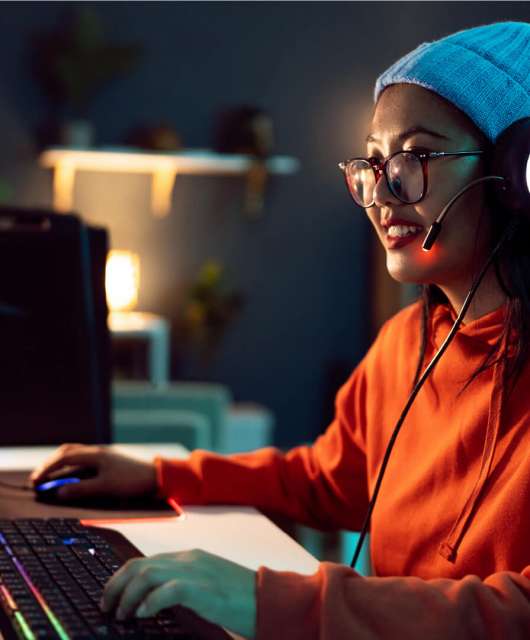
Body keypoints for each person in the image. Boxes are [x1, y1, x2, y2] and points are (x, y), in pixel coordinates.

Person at [30, 21, 530, 639]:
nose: (383, 192)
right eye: (374, 164)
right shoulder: (407, 344)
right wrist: (160, 475)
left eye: (417, 157)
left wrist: (273, 602)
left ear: (519, 176)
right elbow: (325, 481)